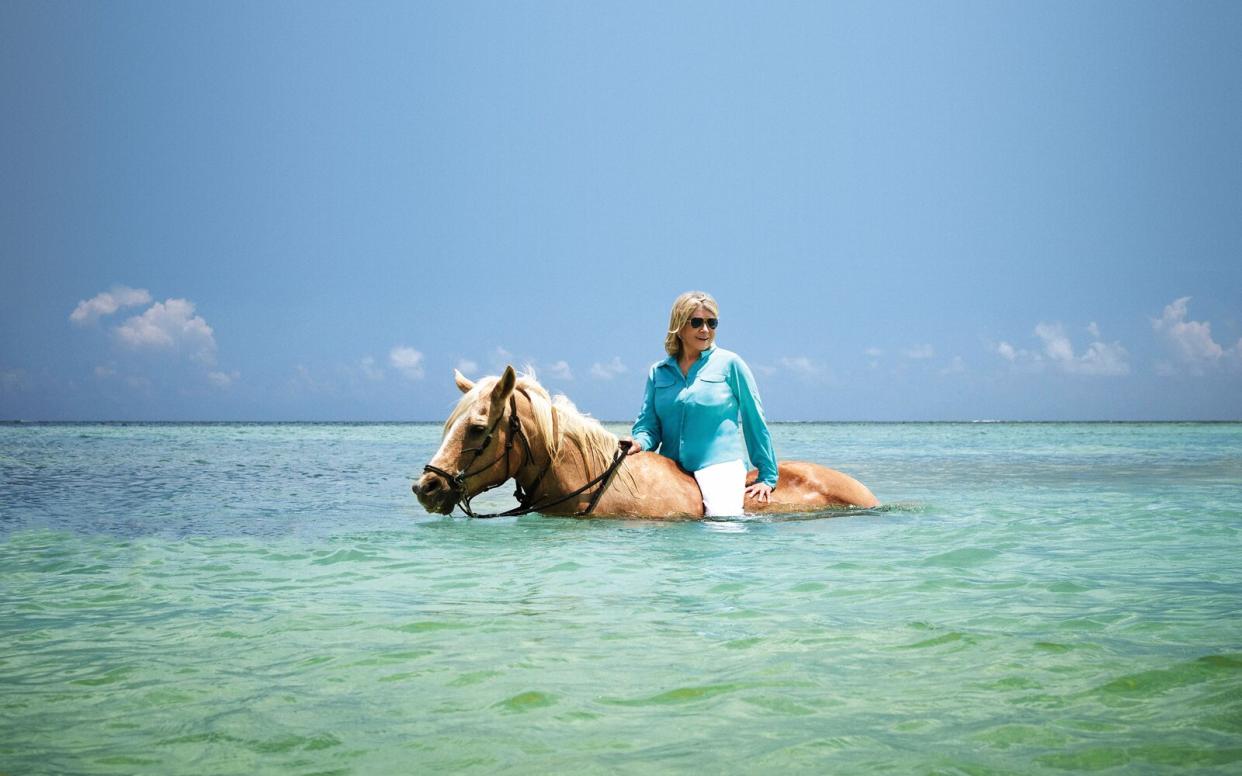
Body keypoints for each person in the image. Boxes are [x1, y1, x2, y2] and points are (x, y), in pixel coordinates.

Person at [623, 291, 778, 516]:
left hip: (719, 466)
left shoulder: (731, 364)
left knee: (722, 522)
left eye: (711, 323)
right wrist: (638, 442)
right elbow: (649, 425)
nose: (705, 330)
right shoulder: (658, 372)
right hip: (669, 467)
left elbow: (755, 420)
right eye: (696, 322)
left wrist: (767, 476)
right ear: (679, 326)